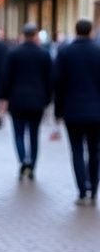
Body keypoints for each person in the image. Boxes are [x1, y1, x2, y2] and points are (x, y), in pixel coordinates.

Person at [54, 18, 100, 206]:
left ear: (75, 30)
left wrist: (58, 111)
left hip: (72, 111)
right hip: (96, 111)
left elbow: (58, 84)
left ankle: (81, 191)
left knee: (77, 150)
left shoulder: (65, 52)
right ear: (90, 31)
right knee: (95, 151)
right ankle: (93, 189)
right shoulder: (98, 51)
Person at [0, 22, 52, 179]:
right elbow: (50, 79)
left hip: (17, 100)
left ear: (23, 34)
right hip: (37, 100)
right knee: (34, 135)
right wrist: (48, 99)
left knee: (18, 133)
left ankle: (23, 160)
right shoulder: (44, 54)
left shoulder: (13, 53)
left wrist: (3, 97)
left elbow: (6, 78)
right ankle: (32, 164)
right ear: (35, 35)